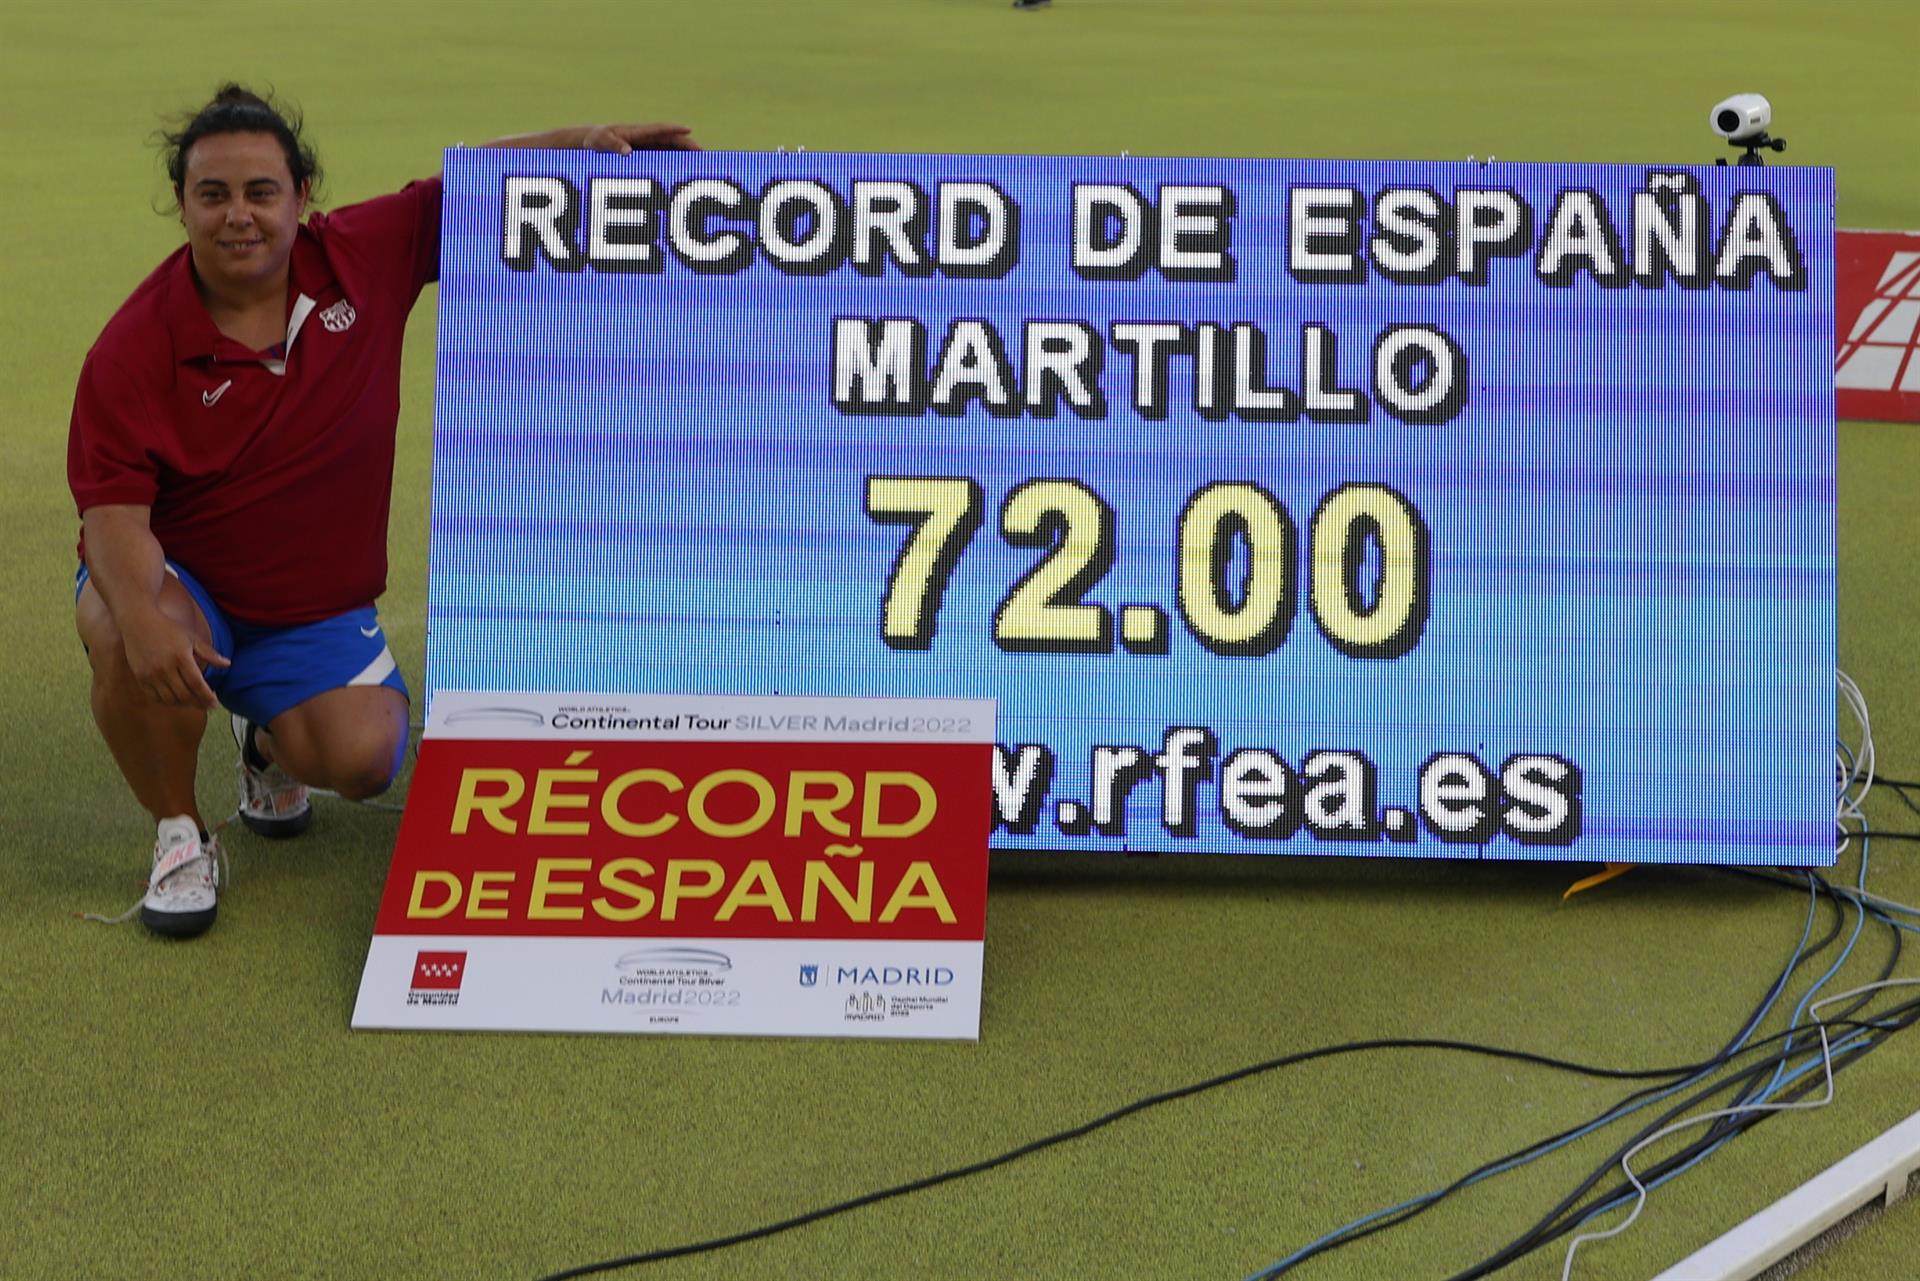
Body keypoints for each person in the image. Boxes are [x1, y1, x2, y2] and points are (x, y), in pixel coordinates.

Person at [69, 85, 698, 938]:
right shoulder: (134, 345)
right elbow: (112, 516)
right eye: (212, 194)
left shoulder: (361, 254)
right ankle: (180, 832)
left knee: (366, 759)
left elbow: (473, 184)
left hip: (309, 607)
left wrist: (583, 141)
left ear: (302, 198)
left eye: (261, 192)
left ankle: (262, 745)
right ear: (182, 205)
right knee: (120, 621)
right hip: (188, 583)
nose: (238, 216)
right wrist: (143, 617)